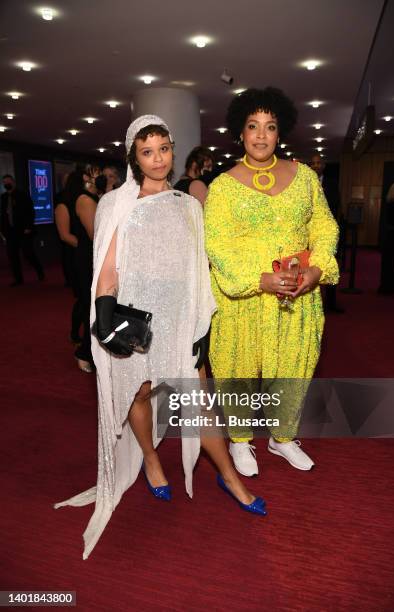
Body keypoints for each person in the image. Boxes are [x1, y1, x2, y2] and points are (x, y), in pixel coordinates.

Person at [55, 115, 266, 560]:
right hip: (133, 314)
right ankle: (151, 459)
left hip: (177, 316)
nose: (157, 158)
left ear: (172, 150)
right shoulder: (116, 203)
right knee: (140, 393)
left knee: (197, 401)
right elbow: (107, 269)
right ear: (134, 157)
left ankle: (229, 477)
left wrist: (200, 326)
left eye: (164, 149)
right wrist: (105, 314)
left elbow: (197, 270)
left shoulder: (189, 203)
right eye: (147, 152)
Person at [204, 87, 339, 477]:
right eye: (252, 127)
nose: (261, 135)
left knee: (294, 366)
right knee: (239, 368)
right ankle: (240, 439)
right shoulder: (223, 187)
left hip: (299, 294)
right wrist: (259, 279)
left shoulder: (305, 177)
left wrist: (316, 270)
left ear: (280, 133)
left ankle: (282, 438)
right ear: (240, 133)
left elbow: (325, 225)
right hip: (244, 300)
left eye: (270, 127)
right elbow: (218, 245)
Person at [72, 164, 101, 372]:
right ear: (86, 177)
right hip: (88, 257)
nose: (101, 177)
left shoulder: (98, 197)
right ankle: (84, 351)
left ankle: (92, 351)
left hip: (96, 256)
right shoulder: (84, 199)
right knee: (90, 305)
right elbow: (95, 234)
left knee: (95, 305)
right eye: (98, 173)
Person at [310, 153, 344, 313]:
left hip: (325, 232)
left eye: (319, 163)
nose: (316, 165)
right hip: (306, 233)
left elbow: (335, 206)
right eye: (313, 163)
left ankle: (330, 303)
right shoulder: (303, 183)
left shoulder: (331, 184)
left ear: (324, 165)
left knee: (328, 264)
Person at [55, 170, 84, 344]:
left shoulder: (83, 201)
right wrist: (87, 248)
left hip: (83, 254)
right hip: (75, 256)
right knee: (83, 298)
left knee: (87, 298)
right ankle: (74, 333)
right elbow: (65, 235)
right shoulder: (63, 204)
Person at [0, 174, 44, 286]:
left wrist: (29, 226)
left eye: (8, 182)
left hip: (24, 231)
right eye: (4, 183)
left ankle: (40, 271)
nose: (6, 184)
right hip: (10, 232)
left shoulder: (23, 195)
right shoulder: (3, 198)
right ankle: (18, 279)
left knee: (28, 254)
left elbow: (30, 212)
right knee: (12, 256)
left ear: (13, 182)